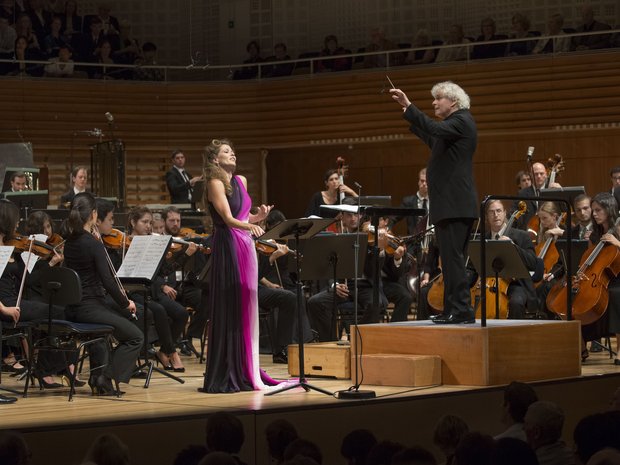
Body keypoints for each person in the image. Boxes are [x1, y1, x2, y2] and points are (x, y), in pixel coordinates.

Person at [390, 81, 478, 324]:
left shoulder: (462, 119)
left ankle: (461, 310)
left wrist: (409, 105)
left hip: (455, 205)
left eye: (439, 98)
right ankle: (453, 309)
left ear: (454, 102)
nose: (434, 102)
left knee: (453, 260)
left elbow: (435, 130)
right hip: (450, 205)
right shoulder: (454, 128)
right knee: (449, 262)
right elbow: (433, 138)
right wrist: (408, 114)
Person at [199, 138, 274, 393]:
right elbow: (229, 219)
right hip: (229, 244)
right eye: (226, 152)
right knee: (233, 303)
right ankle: (231, 368)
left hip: (244, 243)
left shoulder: (240, 180)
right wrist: (249, 225)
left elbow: (243, 216)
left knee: (247, 301)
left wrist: (257, 217)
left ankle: (246, 365)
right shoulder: (214, 183)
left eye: (232, 151)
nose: (232, 154)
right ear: (214, 160)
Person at [62, 192, 143, 395]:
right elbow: (108, 281)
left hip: (73, 308)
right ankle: (104, 376)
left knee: (106, 329)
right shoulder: (93, 244)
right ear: (93, 214)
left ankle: (99, 381)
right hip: (90, 308)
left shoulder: (70, 242)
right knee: (135, 337)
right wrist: (126, 303)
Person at [479, 200, 538, 319]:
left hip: (517, 284)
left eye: (498, 211)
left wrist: (513, 246)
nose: (496, 215)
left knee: (516, 302)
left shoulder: (522, 236)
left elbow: (533, 263)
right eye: (491, 212)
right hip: (487, 284)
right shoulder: (483, 239)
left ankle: (514, 336)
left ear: (505, 213)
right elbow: (473, 266)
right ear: (486, 217)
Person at [523, 400, 576, 465]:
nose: (523, 428)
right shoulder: (573, 457)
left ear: (537, 432)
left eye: (526, 423)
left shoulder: (529, 462)